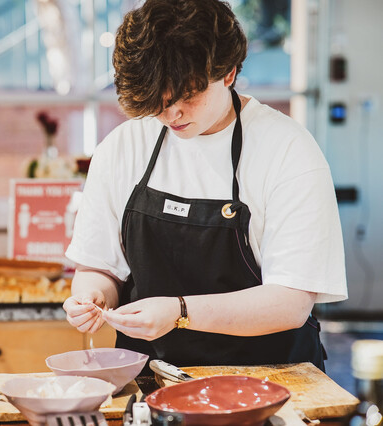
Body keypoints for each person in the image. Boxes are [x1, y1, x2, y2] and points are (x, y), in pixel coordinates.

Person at [63, 0, 347, 371]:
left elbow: (291, 302)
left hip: (270, 382)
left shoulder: (288, 151)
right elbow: (99, 268)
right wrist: (92, 296)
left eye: (187, 96)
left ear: (227, 73)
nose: (171, 114)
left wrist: (179, 311)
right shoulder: (122, 147)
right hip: (149, 379)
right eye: (157, 101)